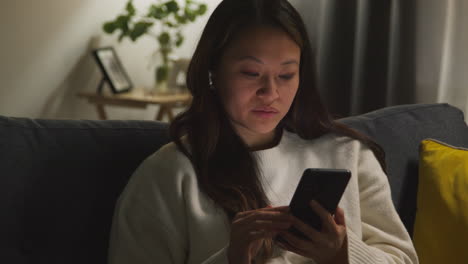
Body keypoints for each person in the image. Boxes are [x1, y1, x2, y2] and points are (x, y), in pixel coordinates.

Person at [108, 0, 419, 263]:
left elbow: (403, 258)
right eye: (251, 73)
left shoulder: (349, 154)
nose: (270, 92)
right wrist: (231, 258)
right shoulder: (169, 174)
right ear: (213, 72)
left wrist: (342, 253)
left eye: (286, 75)